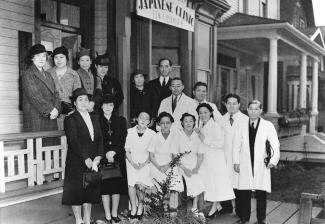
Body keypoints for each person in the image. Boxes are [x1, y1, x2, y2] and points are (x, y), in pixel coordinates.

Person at [232, 100, 280, 224]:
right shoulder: (241, 125)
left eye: (256, 109)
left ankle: (261, 219)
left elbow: (275, 144)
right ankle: (244, 218)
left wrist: (273, 160)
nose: (253, 111)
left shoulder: (267, 125)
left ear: (260, 111)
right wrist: (236, 161)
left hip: (260, 162)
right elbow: (236, 144)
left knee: (261, 192)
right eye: (251, 109)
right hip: (245, 162)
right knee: (244, 191)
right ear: (247, 110)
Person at [62, 88, 103, 224]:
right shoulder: (70, 119)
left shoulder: (95, 117)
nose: (84, 102)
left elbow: (100, 139)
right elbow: (73, 141)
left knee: (89, 192)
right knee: (76, 193)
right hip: (77, 160)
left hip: (93, 161)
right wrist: (85, 158)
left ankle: (87, 219)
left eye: (86, 99)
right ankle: (78, 220)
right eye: (80, 100)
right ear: (74, 103)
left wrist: (98, 156)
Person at [196, 103, 235, 219]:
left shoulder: (215, 126)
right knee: (210, 183)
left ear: (211, 113)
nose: (203, 115)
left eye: (205, 112)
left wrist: (203, 138)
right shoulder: (203, 125)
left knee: (215, 183)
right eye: (200, 113)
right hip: (207, 158)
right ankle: (217, 206)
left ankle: (214, 207)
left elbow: (220, 143)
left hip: (216, 158)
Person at [99, 94, 128, 223]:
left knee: (116, 187)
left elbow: (123, 139)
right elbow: (97, 140)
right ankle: (107, 215)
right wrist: (106, 153)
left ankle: (114, 214)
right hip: (103, 157)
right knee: (105, 187)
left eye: (110, 105)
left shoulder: (121, 120)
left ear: (114, 106)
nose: (108, 107)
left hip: (117, 157)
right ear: (101, 106)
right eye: (105, 105)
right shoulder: (96, 120)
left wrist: (114, 151)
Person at [220, 93, 249, 215]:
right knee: (224, 181)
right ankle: (226, 207)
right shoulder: (221, 120)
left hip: (240, 157)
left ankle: (240, 211)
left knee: (239, 184)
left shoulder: (245, 120)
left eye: (234, 103)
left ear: (239, 105)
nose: (231, 106)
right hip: (224, 156)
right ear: (225, 105)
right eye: (229, 103)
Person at [148, 112, 183, 211]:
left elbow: (176, 156)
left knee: (174, 182)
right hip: (156, 165)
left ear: (171, 123)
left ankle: (172, 211)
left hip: (171, 164)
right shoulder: (155, 136)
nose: (165, 125)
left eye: (168, 122)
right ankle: (163, 209)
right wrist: (159, 167)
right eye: (162, 123)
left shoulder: (176, 136)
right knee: (160, 183)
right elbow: (151, 156)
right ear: (159, 124)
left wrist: (167, 166)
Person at [21, 44, 60, 132]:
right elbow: (34, 96)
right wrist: (51, 110)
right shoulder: (28, 74)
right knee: (37, 144)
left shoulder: (48, 75)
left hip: (51, 116)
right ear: (32, 58)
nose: (42, 59)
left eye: (44, 56)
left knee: (51, 144)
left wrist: (57, 109)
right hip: (35, 117)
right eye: (38, 56)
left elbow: (56, 94)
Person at [125, 111, 156, 220]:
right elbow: (127, 150)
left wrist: (143, 163)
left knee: (140, 186)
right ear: (137, 119)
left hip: (145, 163)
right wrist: (133, 163)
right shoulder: (129, 132)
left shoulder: (152, 134)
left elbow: (152, 152)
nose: (143, 120)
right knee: (131, 185)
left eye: (146, 118)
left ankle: (141, 207)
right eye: (141, 117)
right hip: (131, 162)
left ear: (149, 122)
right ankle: (133, 207)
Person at [178, 113, 205, 217]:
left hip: (195, 163)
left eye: (191, 121)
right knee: (184, 180)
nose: (188, 123)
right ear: (182, 123)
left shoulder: (197, 136)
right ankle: (184, 208)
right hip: (181, 164)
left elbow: (200, 154)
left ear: (194, 123)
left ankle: (194, 207)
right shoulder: (178, 135)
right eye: (186, 121)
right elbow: (175, 156)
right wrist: (184, 169)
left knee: (197, 176)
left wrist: (197, 167)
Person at [48, 46, 81, 129]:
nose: (59, 60)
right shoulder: (47, 73)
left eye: (61, 57)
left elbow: (78, 95)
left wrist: (75, 111)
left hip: (69, 113)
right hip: (51, 112)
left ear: (67, 58)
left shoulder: (74, 74)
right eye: (56, 57)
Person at [76, 47, 101, 113]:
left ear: (91, 62)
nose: (85, 63)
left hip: (93, 107)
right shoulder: (74, 75)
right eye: (82, 60)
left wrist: (92, 103)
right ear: (78, 62)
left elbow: (99, 93)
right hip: (79, 108)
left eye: (87, 60)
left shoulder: (97, 78)